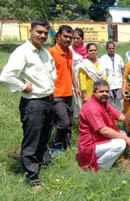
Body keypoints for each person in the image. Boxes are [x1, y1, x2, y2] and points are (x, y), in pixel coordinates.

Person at [0, 19, 56, 189]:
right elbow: (6, 76)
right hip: (33, 103)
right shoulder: (22, 52)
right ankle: (32, 177)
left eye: (45, 33)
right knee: (32, 140)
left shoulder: (45, 53)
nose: (42, 35)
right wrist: (23, 86)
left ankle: (41, 163)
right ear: (30, 32)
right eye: (39, 32)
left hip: (47, 100)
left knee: (44, 136)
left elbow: (52, 71)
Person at [77, 80, 130, 170]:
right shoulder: (92, 107)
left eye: (107, 91)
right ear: (94, 93)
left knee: (122, 133)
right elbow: (103, 130)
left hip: (100, 140)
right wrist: (125, 138)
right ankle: (99, 167)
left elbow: (121, 116)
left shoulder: (104, 104)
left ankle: (104, 160)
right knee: (121, 143)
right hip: (89, 146)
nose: (105, 94)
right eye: (101, 91)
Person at [49, 25, 81, 155]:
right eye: (65, 36)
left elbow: (70, 71)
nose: (68, 39)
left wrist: (76, 87)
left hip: (69, 93)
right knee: (63, 122)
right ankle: (55, 147)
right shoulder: (51, 52)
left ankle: (66, 145)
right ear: (58, 37)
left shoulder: (70, 52)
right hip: (56, 94)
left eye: (70, 37)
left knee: (70, 122)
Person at [100, 41, 125, 111]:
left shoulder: (119, 58)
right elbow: (101, 72)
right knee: (109, 101)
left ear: (115, 48)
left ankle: (120, 116)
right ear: (106, 49)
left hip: (119, 83)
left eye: (113, 48)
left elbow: (123, 70)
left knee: (119, 101)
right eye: (109, 48)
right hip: (108, 83)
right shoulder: (103, 59)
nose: (111, 50)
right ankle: (111, 115)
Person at [70, 28, 88, 117]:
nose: (76, 40)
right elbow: (71, 68)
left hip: (88, 77)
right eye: (74, 38)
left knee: (89, 97)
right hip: (77, 78)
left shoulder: (88, 48)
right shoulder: (70, 50)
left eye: (78, 38)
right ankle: (82, 118)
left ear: (82, 38)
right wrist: (75, 85)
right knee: (80, 99)